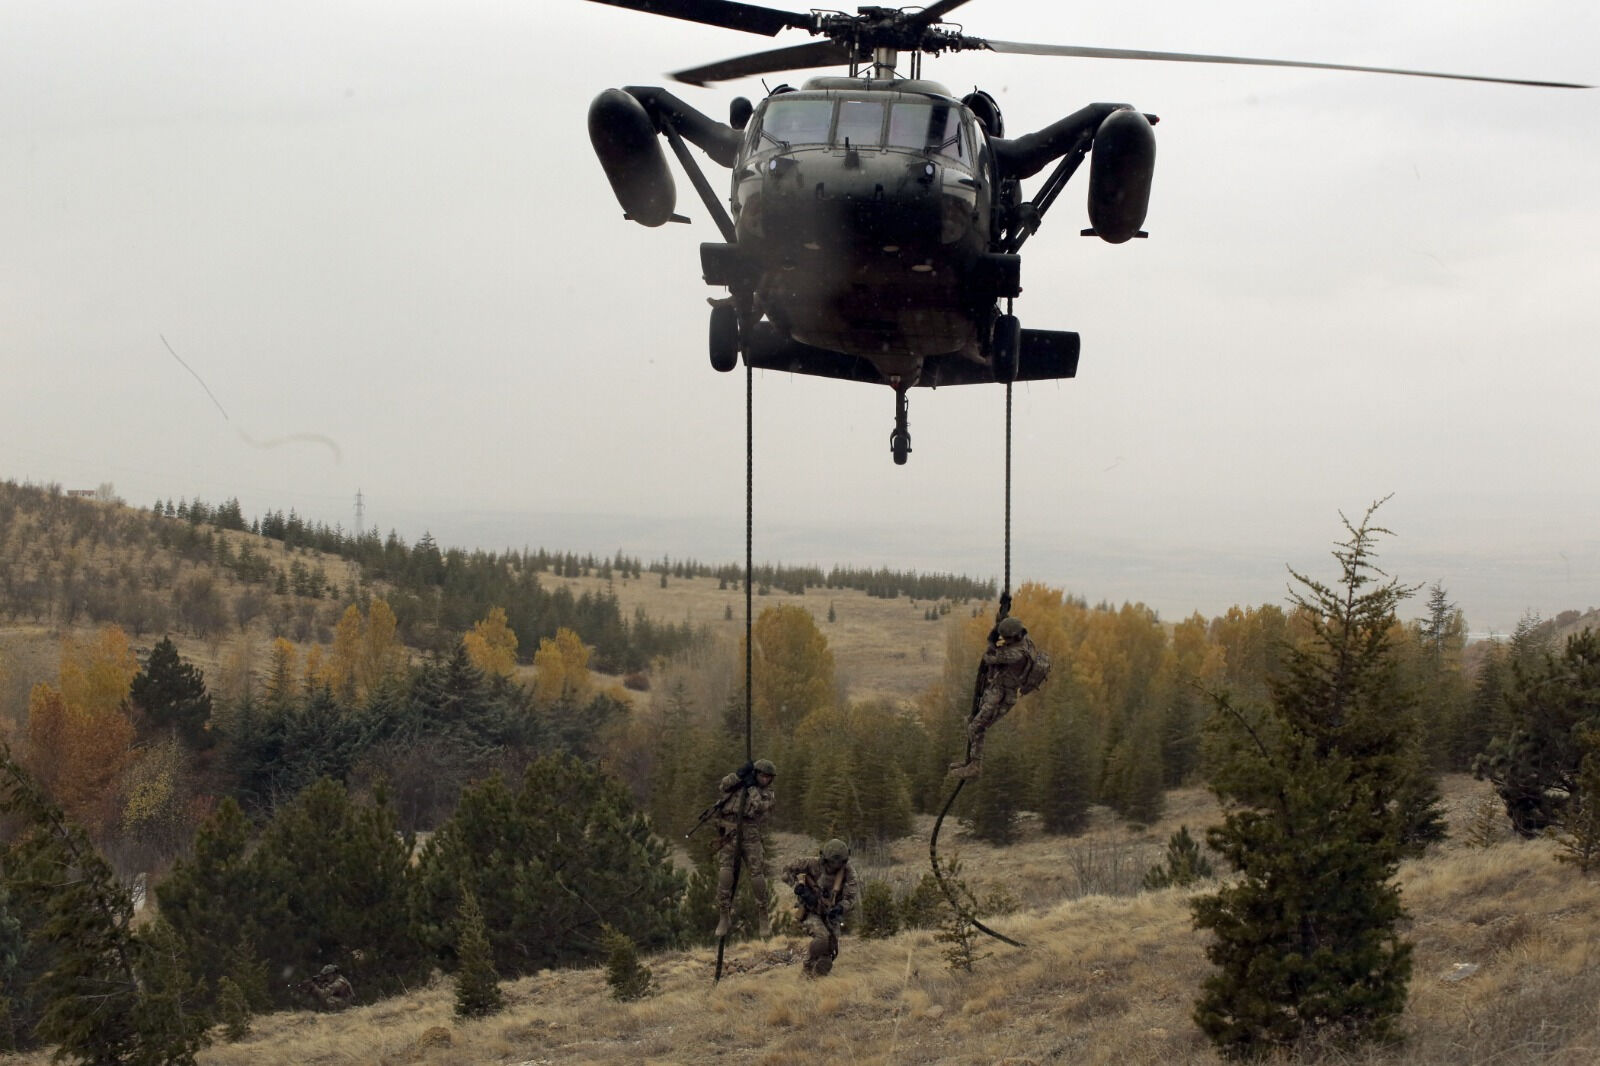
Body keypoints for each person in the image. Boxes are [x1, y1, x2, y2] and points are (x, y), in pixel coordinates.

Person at [949, 614, 1049, 779]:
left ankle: (975, 766)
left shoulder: (1015, 654)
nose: (1005, 641)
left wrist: (992, 640)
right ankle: (970, 760)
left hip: (1002, 697)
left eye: (1007, 638)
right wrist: (1001, 624)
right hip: (996, 693)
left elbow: (989, 657)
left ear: (1014, 636)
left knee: (977, 727)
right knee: (971, 721)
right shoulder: (1026, 642)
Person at [711, 758, 777, 939]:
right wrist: (738, 775)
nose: (766, 780)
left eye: (769, 777)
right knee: (725, 872)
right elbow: (723, 786)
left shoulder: (767, 793)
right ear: (756, 773)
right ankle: (724, 913)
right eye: (763, 775)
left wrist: (752, 788)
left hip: (750, 834)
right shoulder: (738, 785)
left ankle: (763, 913)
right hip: (730, 832)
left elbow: (760, 807)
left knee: (756, 873)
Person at [783, 838, 860, 977]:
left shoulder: (849, 872)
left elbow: (851, 898)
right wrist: (799, 888)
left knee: (828, 954)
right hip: (810, 911)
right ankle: (807, 968)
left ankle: (816, 982)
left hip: (831, 914)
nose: (834, 866)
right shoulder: (811, 864)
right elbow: (786, 871)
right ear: (824, 859)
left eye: (838, 863)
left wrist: (840, 908)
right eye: (832, 862)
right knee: (822, 938)